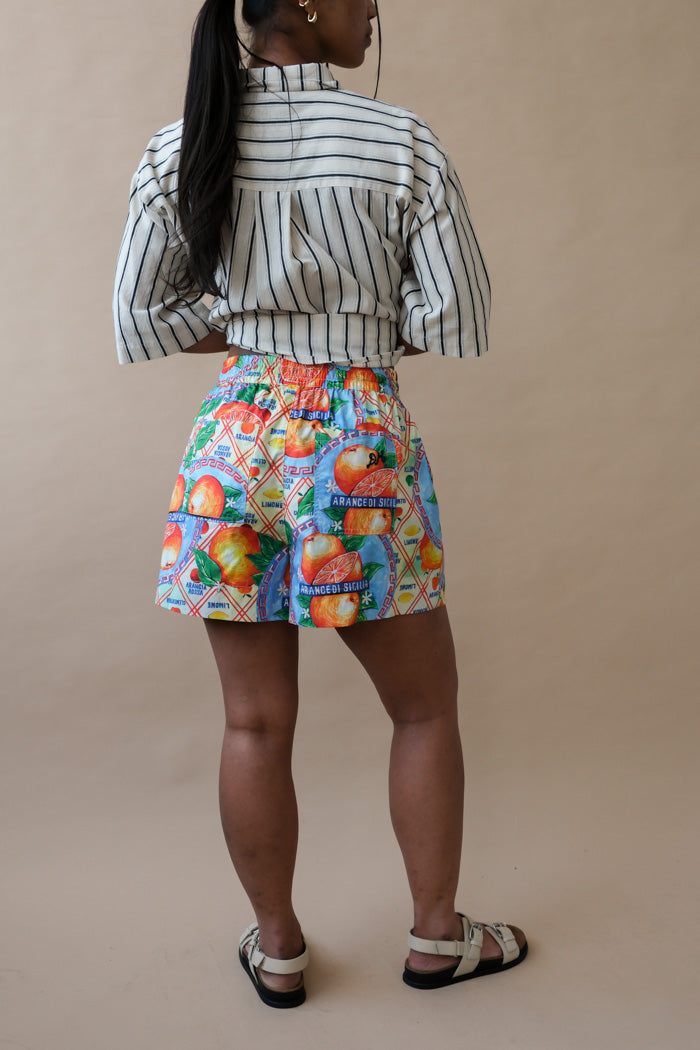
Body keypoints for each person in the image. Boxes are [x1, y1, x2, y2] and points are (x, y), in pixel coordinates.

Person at [113, 0, 528, 1009]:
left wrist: (260, 327)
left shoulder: (182, 144)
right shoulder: (400, 142)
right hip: (355, 442)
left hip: (232, 446)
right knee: (422, 706)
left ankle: (279, 948)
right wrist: (353, 331)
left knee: (252, 724)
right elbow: (459, 315)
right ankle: (438, 938)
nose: (375, 8)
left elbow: (140, 314)